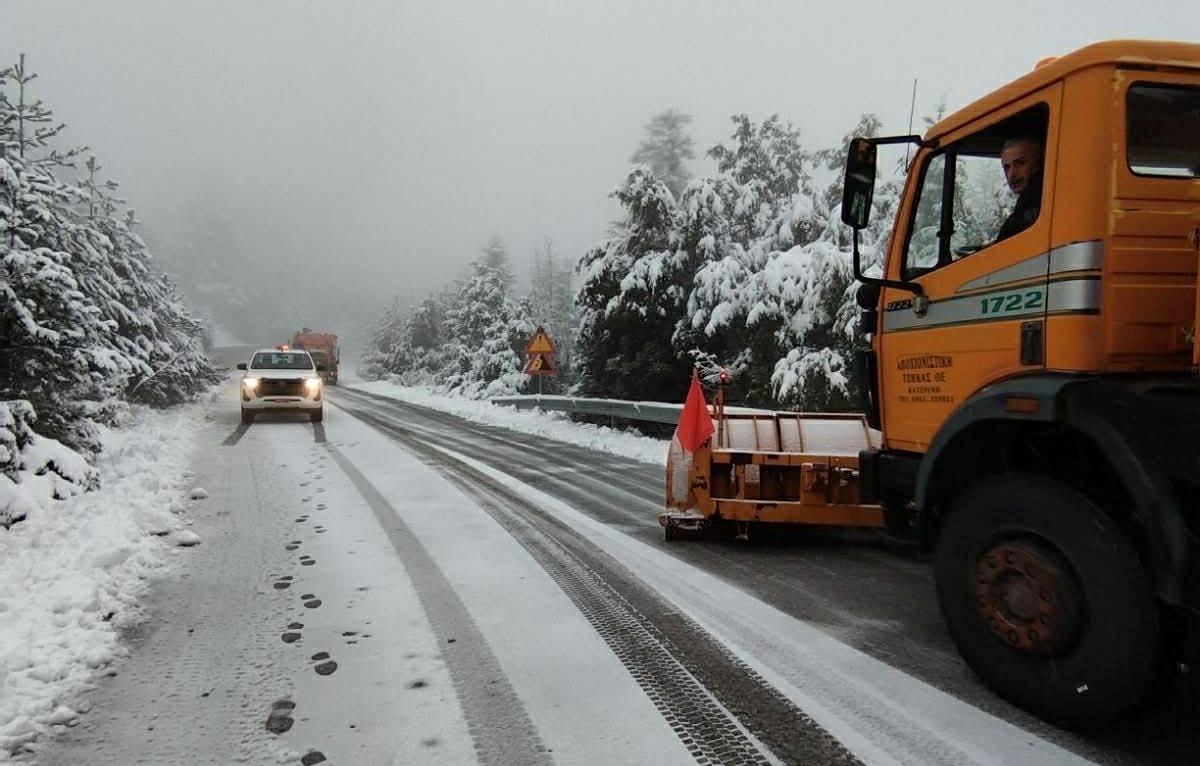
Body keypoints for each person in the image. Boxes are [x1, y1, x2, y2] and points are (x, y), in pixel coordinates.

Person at [995, 137, 1044, 242]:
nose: (1012, 174)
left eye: (1020, 163)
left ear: (1037, 164)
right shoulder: (1026, 203)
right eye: (1007, 167)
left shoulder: (1036, 202)